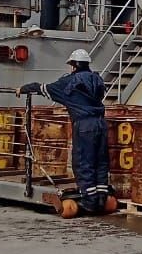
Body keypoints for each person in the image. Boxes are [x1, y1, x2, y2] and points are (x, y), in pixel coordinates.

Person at [17, 49, 116, 216]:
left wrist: (23, 88)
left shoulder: (69, 82)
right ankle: (101, 197)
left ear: (73, 66)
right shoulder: (97, 79)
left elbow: (43, 88)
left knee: (84, 162)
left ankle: (90, 202)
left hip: (84, 126)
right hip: (101, 123)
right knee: (100, 161)